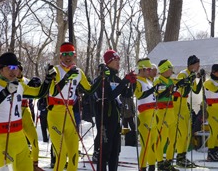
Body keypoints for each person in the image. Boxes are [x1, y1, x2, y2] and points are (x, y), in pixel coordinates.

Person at [0, 52, 55, 171]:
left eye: (15, 68)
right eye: (8, 68)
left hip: (20, 139)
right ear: (1, 70)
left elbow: (38, 93)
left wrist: (48, 80)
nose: (13, 71)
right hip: (2, 141)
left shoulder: (20, 85)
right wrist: (5, 92)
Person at [47, 42, 99, 171]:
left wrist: (101, 77)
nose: (67, 57)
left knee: (74, 153)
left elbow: (90, 90)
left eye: (70, 54)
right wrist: (67, 77)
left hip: (69, 114)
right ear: (60, 57)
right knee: (61, 153)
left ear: (74, 55)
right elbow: (53, 91)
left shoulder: (79, 72)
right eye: (64, 54)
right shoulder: (56, 70)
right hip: (55, 115)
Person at [93, 49, 136, 171]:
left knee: (115, 151)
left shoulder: (116, 79)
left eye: (118, 60)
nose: (118, 63)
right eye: (115, 60)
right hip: (105, 120)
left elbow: (126, 94)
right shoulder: (102, 78)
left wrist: (132, 83)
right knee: (105, 151)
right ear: (108, 62)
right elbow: (109, 96)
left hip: (116, 120)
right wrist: (124, 82)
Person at [154, 59, 188, 171]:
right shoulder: (158, 80)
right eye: (170, 69)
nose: (172, 71)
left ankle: (168, 161)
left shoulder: (170, 81)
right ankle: (160, 163)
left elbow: (175, 88)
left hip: (171, 112)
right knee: (162, 140)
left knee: (173, 140)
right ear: (164, 69)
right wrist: (172, 88)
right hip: (162, 112)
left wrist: (182, 83)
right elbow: (159, 94)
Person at [174, 55, 205, 168]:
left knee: (187, 132)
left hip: (184, 104)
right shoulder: (183, 74)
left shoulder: (191, 74)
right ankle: (179, 157)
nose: (199, 66)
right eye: (197, 64)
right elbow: (183, 90)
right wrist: (192, 78)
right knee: (182, 132)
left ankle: (183, 155)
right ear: (192, 64)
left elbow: (196, 90)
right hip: (178, 104)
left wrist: (200, 79)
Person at [17, 64, 44, 171]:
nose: (15, 72)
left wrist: (39, 85)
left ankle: (35, 164)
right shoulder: (7, 82)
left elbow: (36, 94)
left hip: (25, 111)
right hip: (14, 115)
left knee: (34, 140)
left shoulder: (27, 81)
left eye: (18, 69)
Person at [134, 58, 157, 171]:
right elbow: (138, 95)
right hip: (144, 115)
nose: (150, 71)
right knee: (146, 144)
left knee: (153, 144)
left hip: (153, 114)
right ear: (142, 69)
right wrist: (152, 90)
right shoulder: (137, 80)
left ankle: (152, 166)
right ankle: (142, 167)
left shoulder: (149, 81)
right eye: (148, 69)